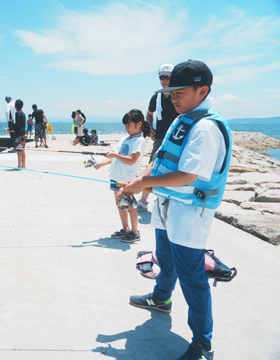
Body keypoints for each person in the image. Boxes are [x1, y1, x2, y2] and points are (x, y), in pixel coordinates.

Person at [123, 60, 232, 360]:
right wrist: (140, 178)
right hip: (166, 204)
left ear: (203, 91)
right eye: (170, 92)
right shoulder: (182, 118)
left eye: (179, 92)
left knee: (192, 276)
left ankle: (202, 341)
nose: (173, 98)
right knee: (165, 257)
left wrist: (143, 182)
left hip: (189, 212)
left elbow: (188, 176)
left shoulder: (206, 127)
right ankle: (160, 299)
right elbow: (159, 158)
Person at [93, 109, 149, 243]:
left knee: (130, 205)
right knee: (120, 204)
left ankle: (135, 232)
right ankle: (125, 229)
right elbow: (114, 158)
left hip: (126, 179)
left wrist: (115, 155)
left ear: (139, 124)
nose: (126, 128)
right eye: (125, 125)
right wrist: (101, 164)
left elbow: (132, 160)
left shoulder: (139, 140)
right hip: (115, 176)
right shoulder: (124, 139)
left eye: (129, 125)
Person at [138, 64, 179, 212]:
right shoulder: (157, 96)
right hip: (160, 138)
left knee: (172, 171)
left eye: (167, 77)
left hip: (176, 140)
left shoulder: (178, 95)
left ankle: (166, 201)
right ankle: (143, 201)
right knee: (152, 167)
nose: (164, 80)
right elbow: (149, 113)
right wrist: (150, 129)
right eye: (161, 77)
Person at [11, 99, 26, 168]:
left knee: (19, 151)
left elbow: (17, 124)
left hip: (18, 135)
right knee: (22, 150)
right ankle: (23, 165)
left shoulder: (17, 113)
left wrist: (11, 129)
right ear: (22, 106)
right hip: (22, 134)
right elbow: (21, 124)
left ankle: (20, 165)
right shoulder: (23, 114)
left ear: (15, 106)